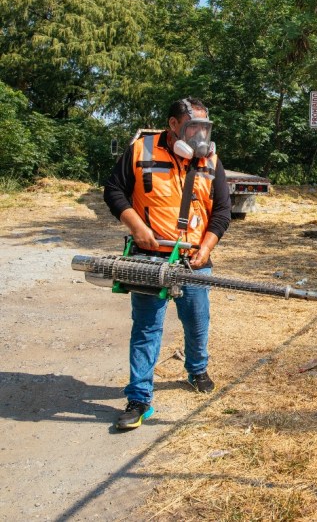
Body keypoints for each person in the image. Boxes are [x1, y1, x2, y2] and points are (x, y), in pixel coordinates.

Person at [103, 98, 232, 430]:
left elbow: (222, 213)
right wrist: (137, 227)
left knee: (196, 318)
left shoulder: (211, 160)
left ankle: (197, 368)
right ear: (173, 125)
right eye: (194, 127)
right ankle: (139, 400)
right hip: (149, 256)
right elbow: (114, 191)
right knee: (146, 327)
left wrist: (206, 248)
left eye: (205, 128)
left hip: (194, 258)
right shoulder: (140, 151)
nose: (201, 135)